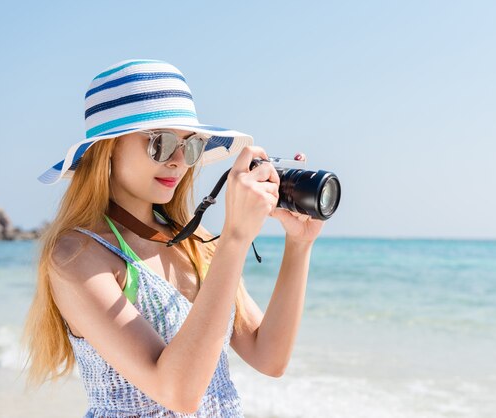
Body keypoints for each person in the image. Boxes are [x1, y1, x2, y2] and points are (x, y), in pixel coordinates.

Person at [23, 59, 324, 417]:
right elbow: (177, 392)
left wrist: (299, 243)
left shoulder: (196, 242)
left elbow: (269, 357)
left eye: (191, 145)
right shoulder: (77, 255)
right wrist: (236, 237)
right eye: (161, 143)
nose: (179, 161)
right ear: (109, 148)